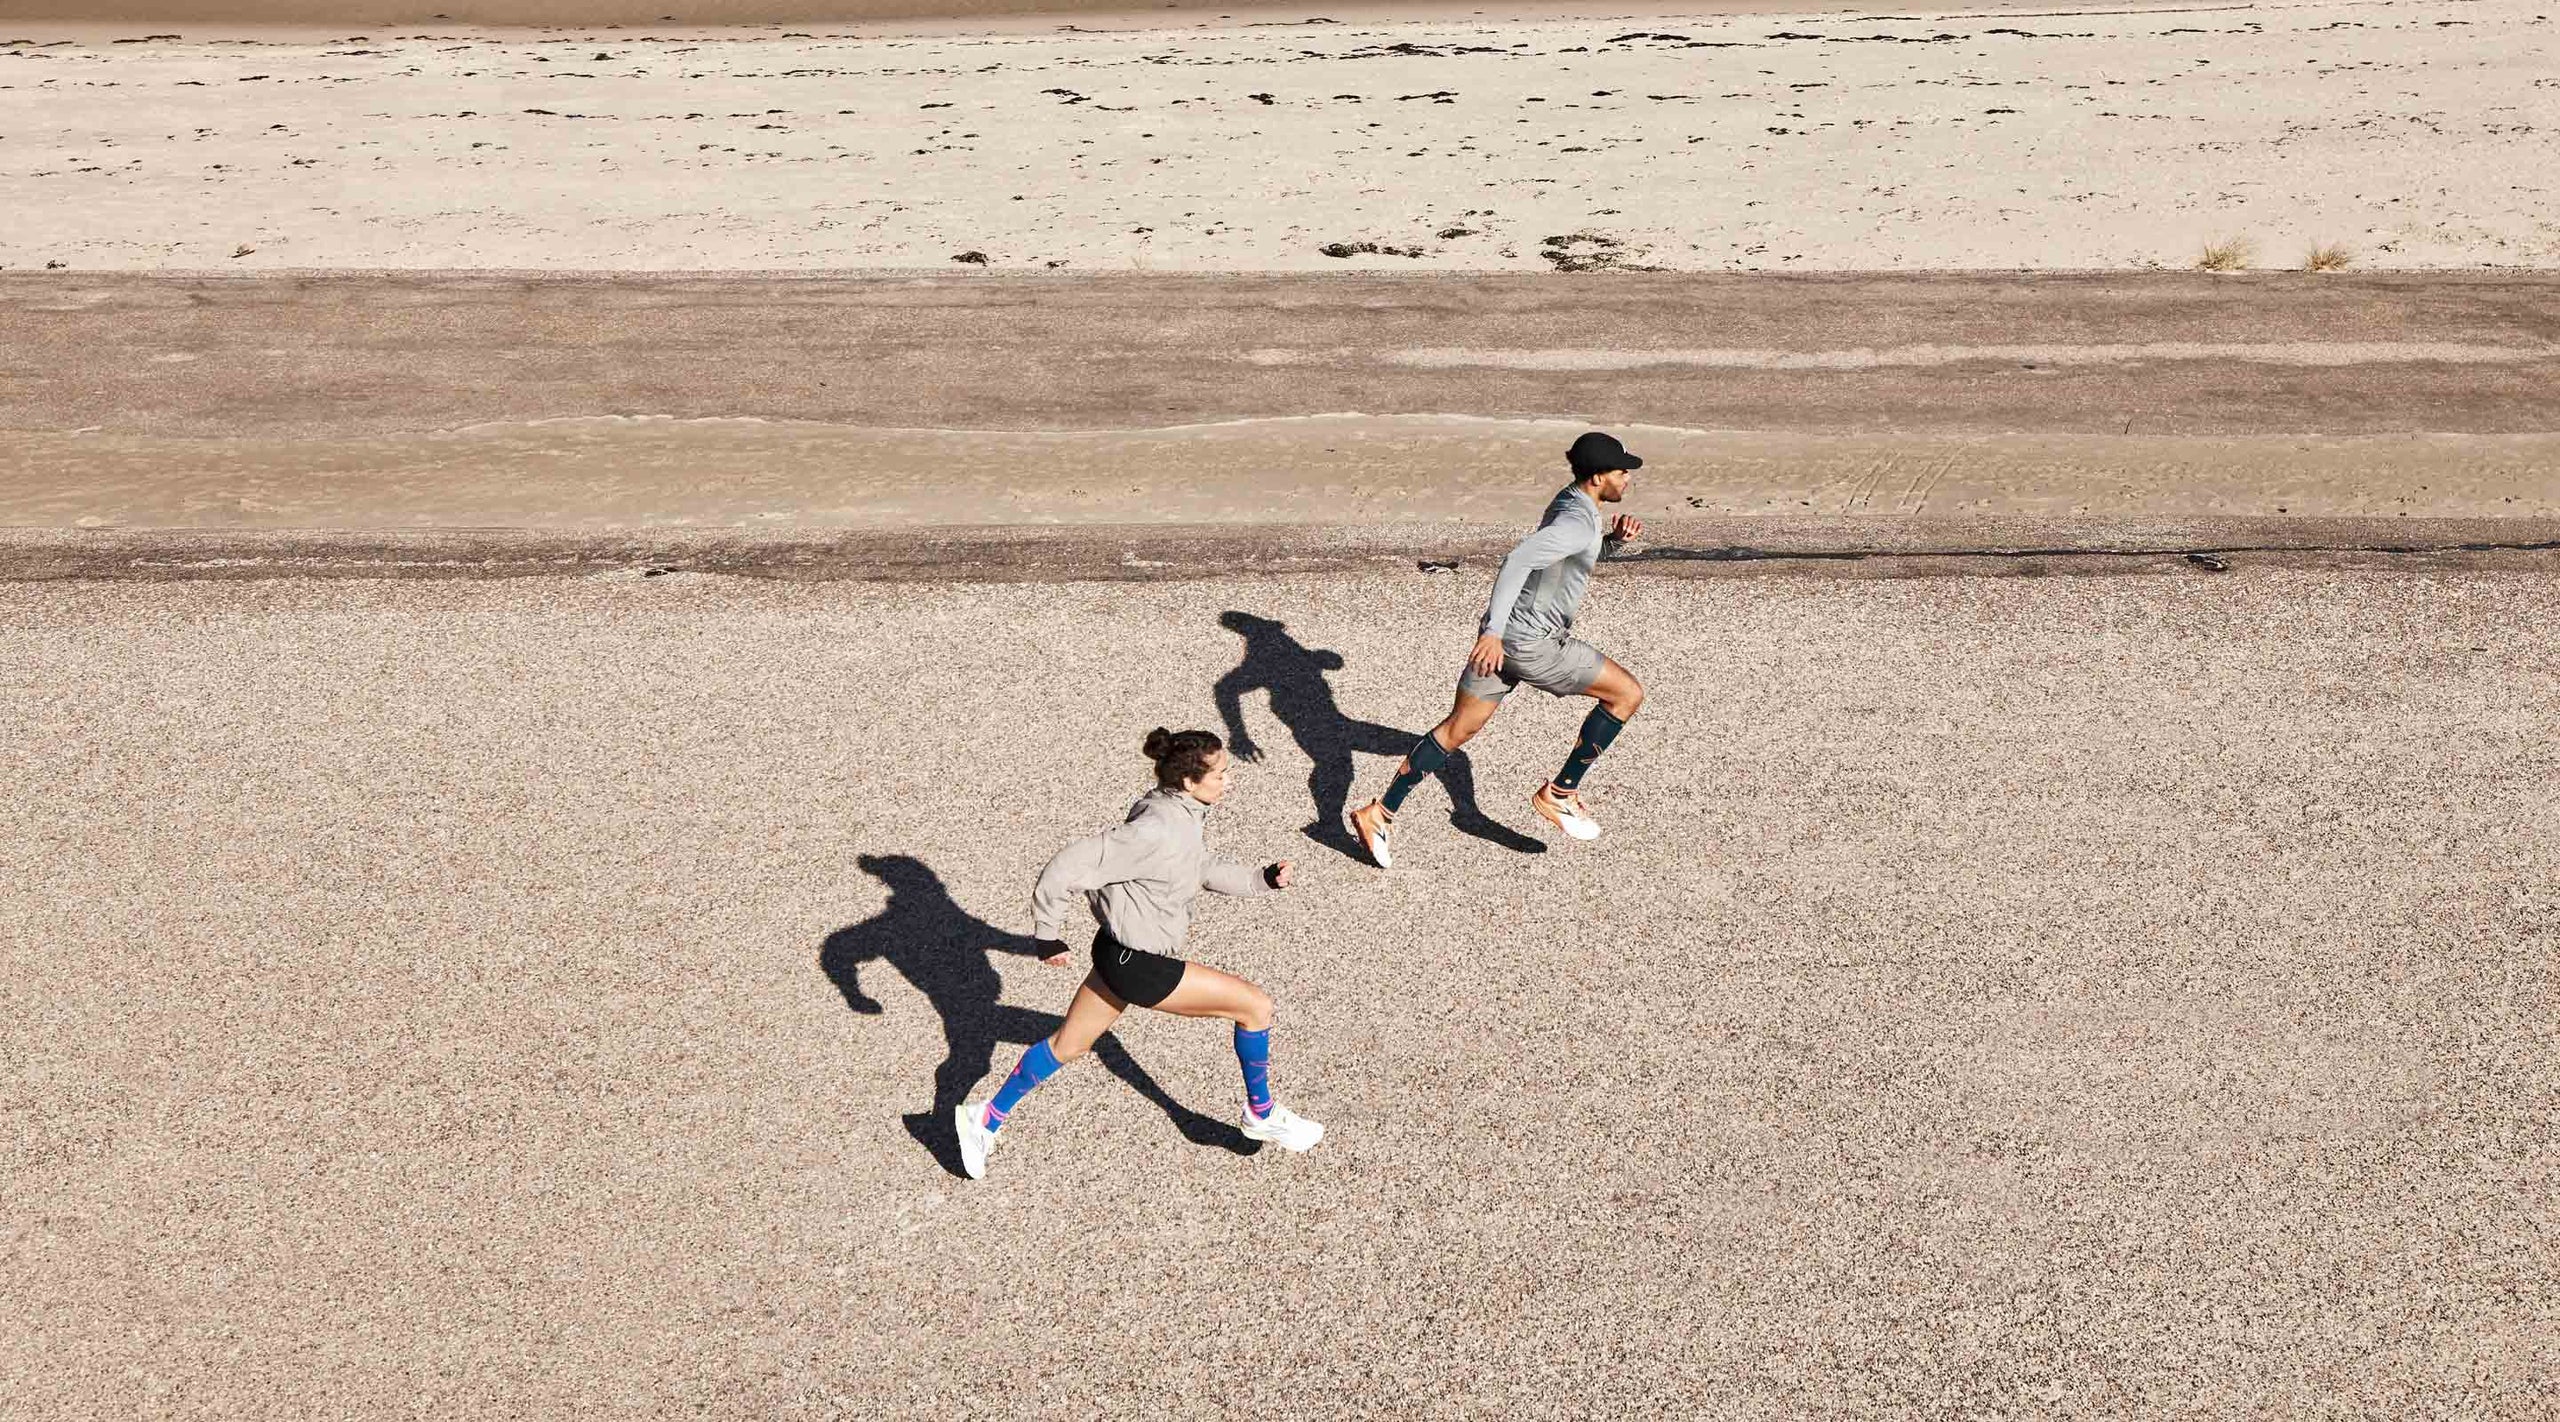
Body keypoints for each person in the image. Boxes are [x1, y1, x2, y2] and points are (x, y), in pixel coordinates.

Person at [954, 728, 1325, 1179]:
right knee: (1255, 1006)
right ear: (1190, 781)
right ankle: (1261, 1113)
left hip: (1115, 953)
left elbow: (1197, 865)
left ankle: (984, 1119)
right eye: (1221, 773)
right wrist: (1047, 934)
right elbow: (1070, 863)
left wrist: (1258, 879)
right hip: (1139, 965)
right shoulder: (1154, 829)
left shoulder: (1174, 811)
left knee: (1068, 1045)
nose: (1228, 780)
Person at [1345, 431, 1649, 868]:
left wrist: (1613, 543)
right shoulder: (1577, 520)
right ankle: (1561, 793)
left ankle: (1379, 813)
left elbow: (1565, 559)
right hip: (1530, 642)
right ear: (1599, 477)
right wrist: (1492, 630)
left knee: (1457, 731)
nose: (1628, 479)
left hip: (1505, 640)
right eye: (1623, 472)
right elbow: (1519, 560)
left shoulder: (1570, 503)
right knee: (1626, 694)